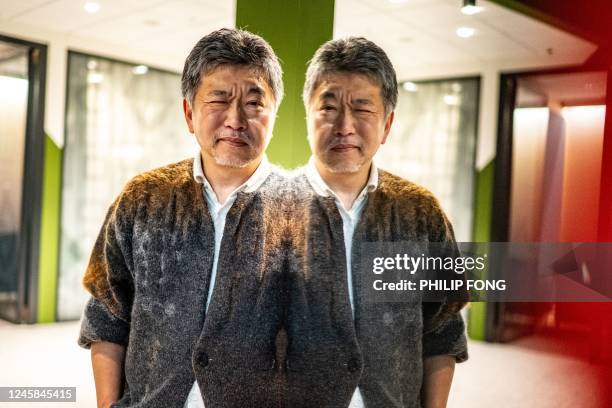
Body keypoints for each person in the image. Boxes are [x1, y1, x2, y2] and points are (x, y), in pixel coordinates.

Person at [78, 28, 286, 408]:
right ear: (189, 113)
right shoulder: (143, 198)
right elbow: (107, 314)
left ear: (274, 114)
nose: (235, 119)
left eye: (254, 103)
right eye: (219, 99)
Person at [285, 37, 468, 408]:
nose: (345, 126)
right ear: (308, 115)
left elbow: (442, 331)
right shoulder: (269, 209)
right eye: (329, 107)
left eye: (363, 109)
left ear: (387, 124)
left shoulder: (421, 213)